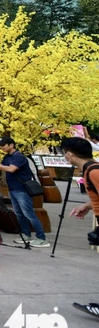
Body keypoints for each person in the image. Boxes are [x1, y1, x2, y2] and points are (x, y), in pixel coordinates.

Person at [0, 137, 49, 247]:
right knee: (19, 214)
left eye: (3, 145)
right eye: (0, 145)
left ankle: (41, 238)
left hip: (22, 189)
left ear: (11, 145)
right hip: (13, 189)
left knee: (29, 214)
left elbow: (11, 169)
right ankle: (26, 235)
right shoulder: (7, 157)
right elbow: (2, 167)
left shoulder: (19, 157)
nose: (1, 147)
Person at [59, 136, 99, 318]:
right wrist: (87, 205)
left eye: (64, 154)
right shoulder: (90, 170)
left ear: (69, 155)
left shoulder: (93, 171)